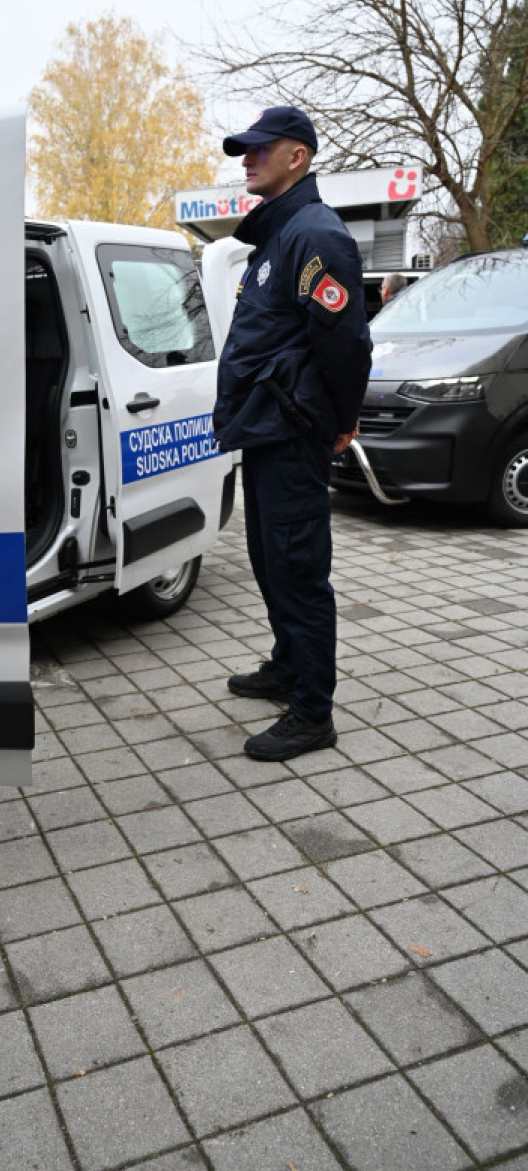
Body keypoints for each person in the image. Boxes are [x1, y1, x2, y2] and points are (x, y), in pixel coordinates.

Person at [213, 106, 372, 762]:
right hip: (266, 429)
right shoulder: (279, 237)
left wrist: (341, 421)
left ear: (297, 157)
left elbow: (347, 345)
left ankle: (312, 711)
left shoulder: (316, 235)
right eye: (244, 151)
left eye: (259, 149)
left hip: (294, 431)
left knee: (299, 568)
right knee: (270, 559)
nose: (246, 159)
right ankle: (287, 665)